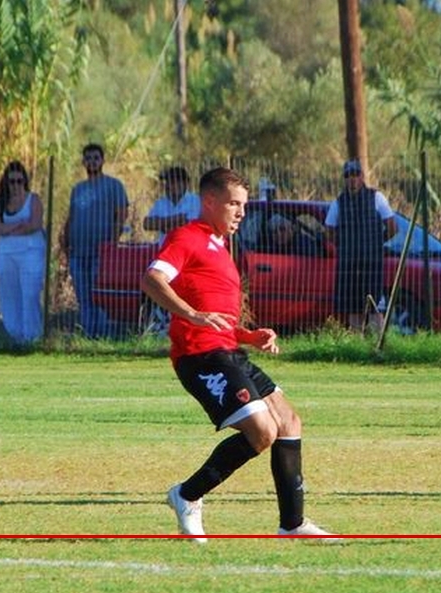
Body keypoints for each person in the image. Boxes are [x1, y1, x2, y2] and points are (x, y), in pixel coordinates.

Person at [141, 167, 335, 542]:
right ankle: (187, 495)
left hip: (229, 351)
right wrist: (192, 315)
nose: (241, 212)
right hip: (200, 356)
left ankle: (292, 524)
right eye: (234, 204)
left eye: (244, 205)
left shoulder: (222, 248)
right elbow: (152, 279)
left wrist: (249, 336)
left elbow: (220, 318)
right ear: (209, 201)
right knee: (262, 431)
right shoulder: (187, 237)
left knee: (289, 422)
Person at [61, 143, 128, 338]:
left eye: (96, 158)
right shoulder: (77, 189)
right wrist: (65, 241)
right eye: (88, 158)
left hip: (102, 252)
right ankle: (88, 336)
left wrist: (112, 244)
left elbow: (121, 215)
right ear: (83, 162)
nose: (92, 161)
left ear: (102, 160)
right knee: (83, 297)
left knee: (100, 295)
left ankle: (103, 337)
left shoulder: (114, 185)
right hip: (78, 251)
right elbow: (71, 217)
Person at [325, 160, 397, 333]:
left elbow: (392, 227)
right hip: (348, 265)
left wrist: (376, 243)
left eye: (356, 174)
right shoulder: (338, 203)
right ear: (344, 178)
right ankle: (357, 344)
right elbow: (329, 230)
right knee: (353, 308)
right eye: (348, 175)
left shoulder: (376, 197)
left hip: (372, 264)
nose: (352, 179)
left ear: (362, 176)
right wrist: (345, 245)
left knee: (374, 307)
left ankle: (377, 343)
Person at [0, 161, 46, 346]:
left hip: (30, 253)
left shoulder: (33, 200)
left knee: (29, 294)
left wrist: (7, 229)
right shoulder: (2, 202)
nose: (16, 185)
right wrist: (17, 225)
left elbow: (34, 225)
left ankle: (32, 337)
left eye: (19, 181)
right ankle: (15, 336)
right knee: (9, 295)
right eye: (12, 181)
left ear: (25, 181)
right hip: (7, 254)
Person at [143, 166, 200, 243]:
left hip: (189, 248)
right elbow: (147, 224)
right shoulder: (160, 203)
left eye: (173, 182)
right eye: (167, 182)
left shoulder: (196, 201)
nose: (168, 186)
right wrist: (174, 220)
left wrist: (162, 224)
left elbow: (189, 224)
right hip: (166, 249)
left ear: (184, 184)